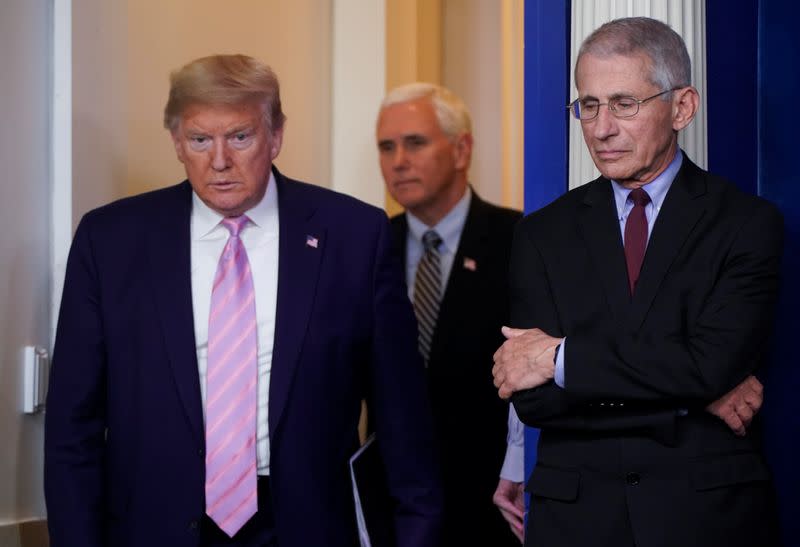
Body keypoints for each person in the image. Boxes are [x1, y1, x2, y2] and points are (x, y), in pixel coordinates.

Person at [44, 54, 443, 547]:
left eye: (239, 136)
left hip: (305, 525)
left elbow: (403, 420)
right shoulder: (110, 242)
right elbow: (72, 428)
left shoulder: (353, 236)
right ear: (176, 143)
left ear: (275, 136)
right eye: (199, 140)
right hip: (156, 526)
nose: (219, 160)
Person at [491, 17, 781, 547]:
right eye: (590, 105)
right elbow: (534, 403)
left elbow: (711, 363)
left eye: (624, 104)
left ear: (682, 106)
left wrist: (561, 361)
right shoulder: (540, 234)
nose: (601, 128)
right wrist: (692, 400)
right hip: (576, 523)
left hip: (704, 520)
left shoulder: (746, 223)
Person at [376, 82, 522, 546]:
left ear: (461, 150)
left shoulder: (520, 239)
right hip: (391, 507)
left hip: (489, 505)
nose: (398, 160)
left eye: (415, 142)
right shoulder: (368, 245)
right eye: (386, 146)